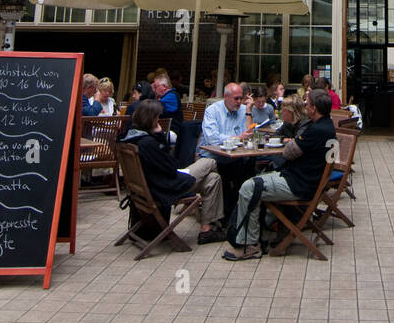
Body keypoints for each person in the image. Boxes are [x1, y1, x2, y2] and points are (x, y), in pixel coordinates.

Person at [223, 89, 336, 260]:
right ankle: (259, 234)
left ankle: (250, 245)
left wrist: (293, 144)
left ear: (313, 109)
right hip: (305, 181)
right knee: (257, 178)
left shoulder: (315, 130)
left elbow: (289, 153)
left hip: (299, 185)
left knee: (249, 187)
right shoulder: (327, 126)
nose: (306, 107)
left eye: (308, 104)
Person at [121, 98, 226, 245]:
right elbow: (171, 167)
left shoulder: (131, 138)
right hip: (166, 187)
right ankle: (214, 222)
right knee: (211, 162)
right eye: (157, 118)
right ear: (150, 119)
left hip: (147, 189)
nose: (159, 120)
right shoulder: (148, 144)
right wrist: (160, 136)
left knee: (213, 178)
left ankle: (206, 230)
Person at [198, 83, 251, 157]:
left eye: (241, 98)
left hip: (235, 157)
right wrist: (238, 138)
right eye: (236, 98)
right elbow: (212, 139)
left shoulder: (243, 110)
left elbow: (248, 136)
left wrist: (248, 111)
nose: (239, 101)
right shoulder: (212, 110)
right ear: (225, 97)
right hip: (212, 157)